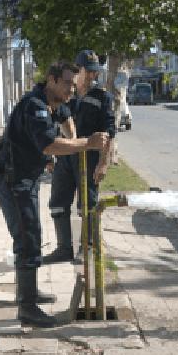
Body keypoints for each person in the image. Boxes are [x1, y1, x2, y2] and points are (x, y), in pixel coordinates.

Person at [0, 61, 110, 327]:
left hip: (25, 179)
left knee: (31, 235)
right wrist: (86, 143)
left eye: (74, 83)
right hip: (13, 181)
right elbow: (49, 145)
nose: (72, 88)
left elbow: (66, 117)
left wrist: (74, 138)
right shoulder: (35, 106)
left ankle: (30, 293)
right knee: (27, 237)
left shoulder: (53, 101)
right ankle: (27, 308)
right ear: (52, 80)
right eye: (68, 83)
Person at [43, 49, 116, 264]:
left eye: (95, 71)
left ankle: (88, 248)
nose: (93, 75)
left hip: (88, 159)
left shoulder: (102, 97)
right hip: (64, 157)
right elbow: (51, 125)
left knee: (88, 205)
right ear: (78, 70)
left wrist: (103, 163)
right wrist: (48, 157)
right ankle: (63, 249)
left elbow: (109, 133)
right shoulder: (64, 93)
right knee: (57, 202)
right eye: (89, 71)